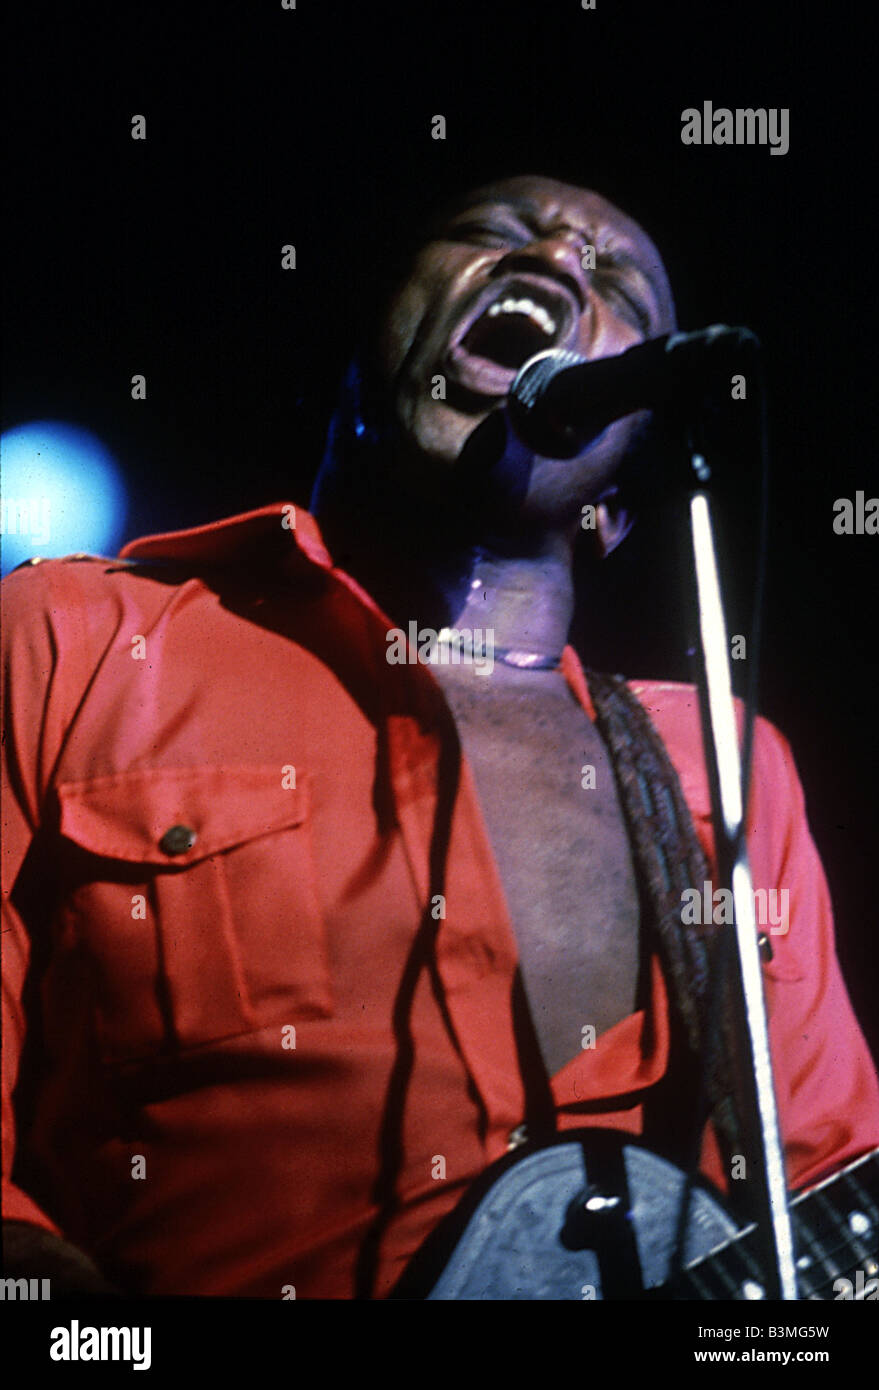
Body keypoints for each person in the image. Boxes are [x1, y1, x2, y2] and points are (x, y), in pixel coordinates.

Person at [3, 175, 878, 1300]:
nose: (559, 255)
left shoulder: (727, 768)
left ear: (615, 494)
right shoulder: (72, 643)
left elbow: (826, 1195)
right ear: (363, 363)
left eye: (617, 280)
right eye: (490, 232)